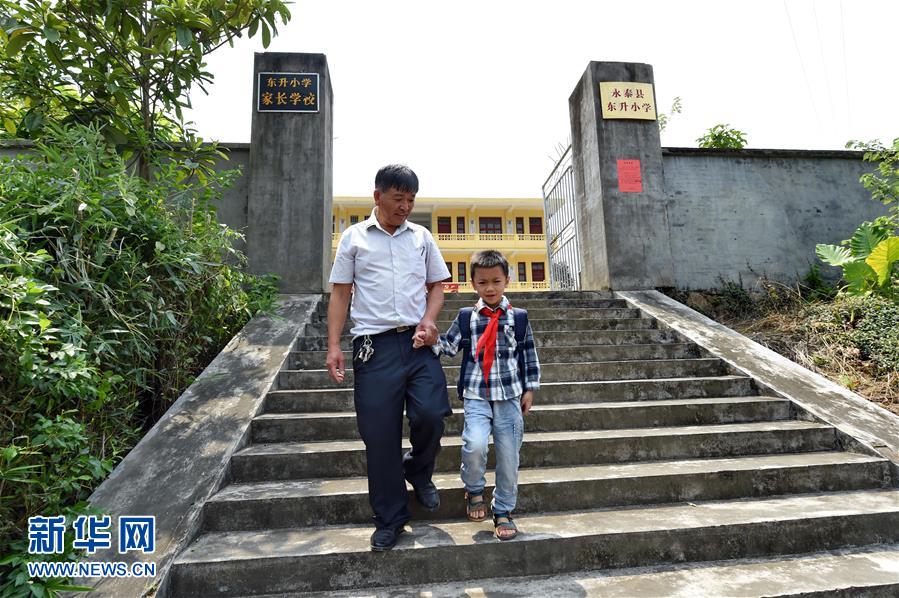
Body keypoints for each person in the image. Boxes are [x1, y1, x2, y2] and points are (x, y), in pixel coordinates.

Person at [326, 164, 452, 551]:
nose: (405, 207)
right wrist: (333, 346)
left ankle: (418, 470)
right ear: (377, 196)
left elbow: (437, 286)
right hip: (373, 348)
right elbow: (340, 294)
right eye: (398, 199)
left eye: (411, 200)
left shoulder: (422, 237)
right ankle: (390, 517)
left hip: (417, 344)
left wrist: (429, 321)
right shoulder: (354, 238)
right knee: (379, 437)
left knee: (431, 414)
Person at [416, 250, 540, 540]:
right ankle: (473, 490)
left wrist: (530, 389)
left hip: (509, 395)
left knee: (508, 456)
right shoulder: (466, 318)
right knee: (474, 444)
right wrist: (431, 339)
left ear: (507, 280)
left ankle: (503, 510)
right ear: (473, 284)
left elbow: (528, 355)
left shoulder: (519, 318)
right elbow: (448, 345)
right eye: (483, 282)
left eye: (496, 281)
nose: (490, 288)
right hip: (476, 395)